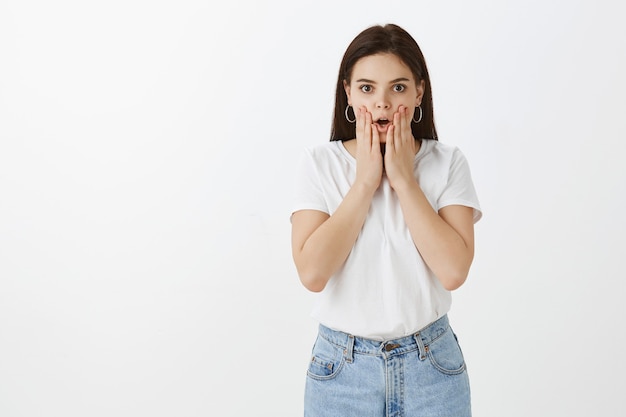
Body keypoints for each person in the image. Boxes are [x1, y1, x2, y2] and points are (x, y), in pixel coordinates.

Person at [291, 23, 482, 416]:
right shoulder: (320, 164)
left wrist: (404, 181)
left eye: (397, 87)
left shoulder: (447, 163)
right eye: (366, 88)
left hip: (431, 368)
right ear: (347, 91)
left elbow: (453, 271)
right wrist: (364, 182)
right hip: (341, 371)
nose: (381, 103)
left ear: (418, 92)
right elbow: (312, 274)